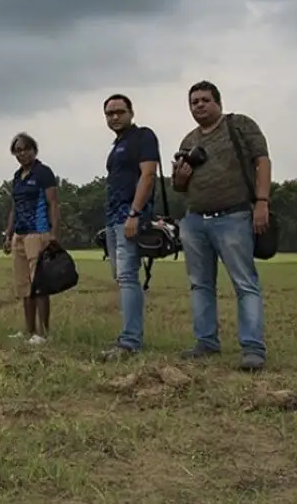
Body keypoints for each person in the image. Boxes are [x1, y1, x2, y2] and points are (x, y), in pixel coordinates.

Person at [172, 80, 271, 371]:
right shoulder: (188, 140)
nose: (199, 105)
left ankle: (253, 348)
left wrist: (262, 201)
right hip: (195, 219)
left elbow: (262, 161)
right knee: (200, 285)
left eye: (205, 100)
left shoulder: (239, 126)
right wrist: (181, 175)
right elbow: (179, 187)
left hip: (234, 216)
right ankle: (206, 342)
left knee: (244, 283)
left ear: (218, 102)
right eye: (194, 102)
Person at [99, 94, 161, 361]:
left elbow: (148, 175)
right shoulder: (117, 145)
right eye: (109, 113)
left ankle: (130, 342)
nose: (114, 117)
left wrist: (134, 213)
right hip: (114, 219)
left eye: (119, 112)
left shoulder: (143, 137)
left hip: (130, 216)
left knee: (127, 278)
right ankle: (128, 336)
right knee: (122, 278)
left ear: (131, 112)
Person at [1, 132, 60, 345]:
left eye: (26, 149)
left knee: (39, 284)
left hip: (38, 232)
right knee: (24, 285)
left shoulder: (44, 173)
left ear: (34, 150)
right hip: (20, 234)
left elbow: (53, 203)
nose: (22, 153)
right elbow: (14, 208)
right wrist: (8, 234)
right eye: (17, 150)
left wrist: (53, 233)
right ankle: (28, 331)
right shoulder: (17, 177)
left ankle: (43, 333)